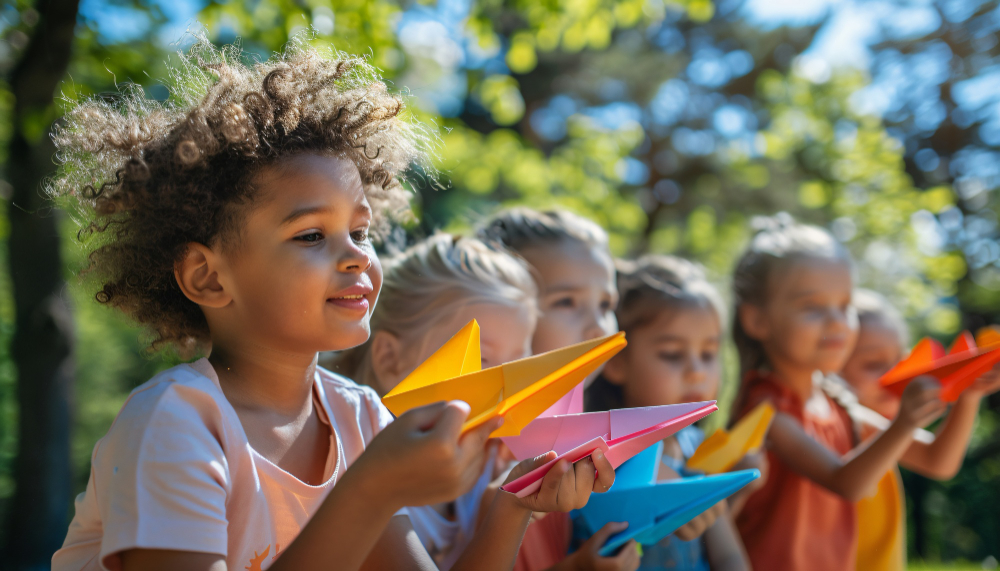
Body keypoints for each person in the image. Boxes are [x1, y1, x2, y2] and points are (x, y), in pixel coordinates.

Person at [49, 40, 615, 571]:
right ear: (208, 276)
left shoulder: (361, 415)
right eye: (311, 236)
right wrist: (372, 490)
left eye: (362, 233)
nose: (355, 258)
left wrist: (512, 504)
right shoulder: (175, 422)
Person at [729, 213, 945, 571]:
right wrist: (904, 422)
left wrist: (968, 394)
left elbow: (937, 460)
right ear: (757, 321)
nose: (836, 322)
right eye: (813, 307)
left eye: (845, 306)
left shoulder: (836, 402)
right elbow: (845, 483)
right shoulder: (765, 410)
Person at [593, 254, 756, 570]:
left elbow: (729, 555)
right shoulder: (599, 457)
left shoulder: (695, 446)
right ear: (615, 362)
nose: (697, 372)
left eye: (708, 353)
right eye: (672, 354)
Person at [839, 289, 1000, 571]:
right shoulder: (846, 420)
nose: (894, 377)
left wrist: (969, 395)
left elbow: (940, 463)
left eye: (901, 363)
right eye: (874, 365)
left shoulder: (884, 428)